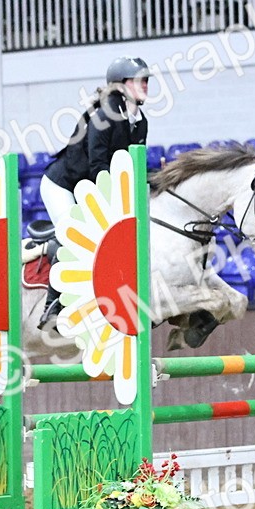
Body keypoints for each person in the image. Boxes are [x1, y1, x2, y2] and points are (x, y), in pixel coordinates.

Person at [37, 55, 151, 329]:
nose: (146, 85)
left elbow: (129, 167)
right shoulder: (103, 116)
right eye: (140, 80)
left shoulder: (139, 120)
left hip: (92, 184)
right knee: (73, 234)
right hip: (63, 185)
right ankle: (53, 305)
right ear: (121, 85)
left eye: (147, 80)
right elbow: (97, 165)